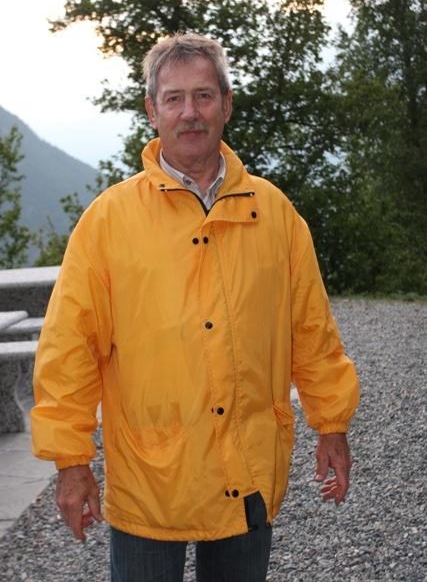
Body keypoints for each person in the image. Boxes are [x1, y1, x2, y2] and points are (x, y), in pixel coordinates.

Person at [32, 33, 360, 582]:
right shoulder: (109, 222)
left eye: (204, 96)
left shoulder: (274, 214)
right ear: (152, 110)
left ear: (226, 105)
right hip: (150, 478)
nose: (190, 112)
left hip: (246, 468)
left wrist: (332, 425)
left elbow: (312, 331)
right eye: (174, 98)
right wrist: (71, 462)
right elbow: (69, 350)